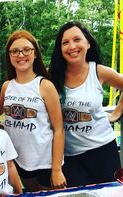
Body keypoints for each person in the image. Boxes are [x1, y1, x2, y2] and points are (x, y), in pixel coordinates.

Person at [49, 21, 122, 187]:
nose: (72, 46)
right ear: (60, 49)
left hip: (103, 151)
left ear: (88, 43)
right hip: (70, 157)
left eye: (77, 39)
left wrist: (117, 112)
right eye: (65, 42)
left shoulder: (98, 71)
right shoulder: (53, 75)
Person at [0, 29, 66, 192]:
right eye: (15, 51)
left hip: (45, 162)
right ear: (9, 55)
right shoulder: (7, 86)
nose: (21, 55)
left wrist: (56, 170)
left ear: (35, 54)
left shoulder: (45, 86)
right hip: (20, 160)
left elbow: (59, 129)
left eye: (27, 49)